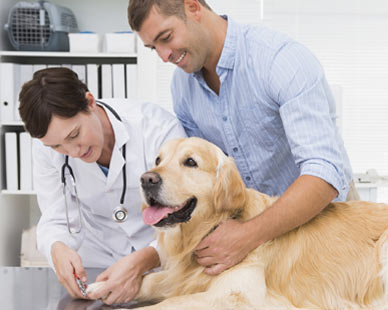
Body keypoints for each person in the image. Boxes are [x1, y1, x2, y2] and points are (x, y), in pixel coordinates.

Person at [128, 0, 358, 276]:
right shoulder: (183, 87)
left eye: (166, 38)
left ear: (193, 8)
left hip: (322, 227)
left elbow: (324, 173)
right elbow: (200, 185)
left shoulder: (279, 60)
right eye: (154, 48)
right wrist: (145, 261)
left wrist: (249, 234)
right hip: (249, 237)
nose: (164, 56)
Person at [18, 68, 187, 304]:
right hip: (97, 268)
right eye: (57, 147)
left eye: (75, 134)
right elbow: (56, 215)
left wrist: (146, 259)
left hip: (162, 263)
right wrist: (57, 247)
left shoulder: (156, 129)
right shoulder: (46, 149)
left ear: (89, 102)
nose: (72, 152)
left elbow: (185, 216)